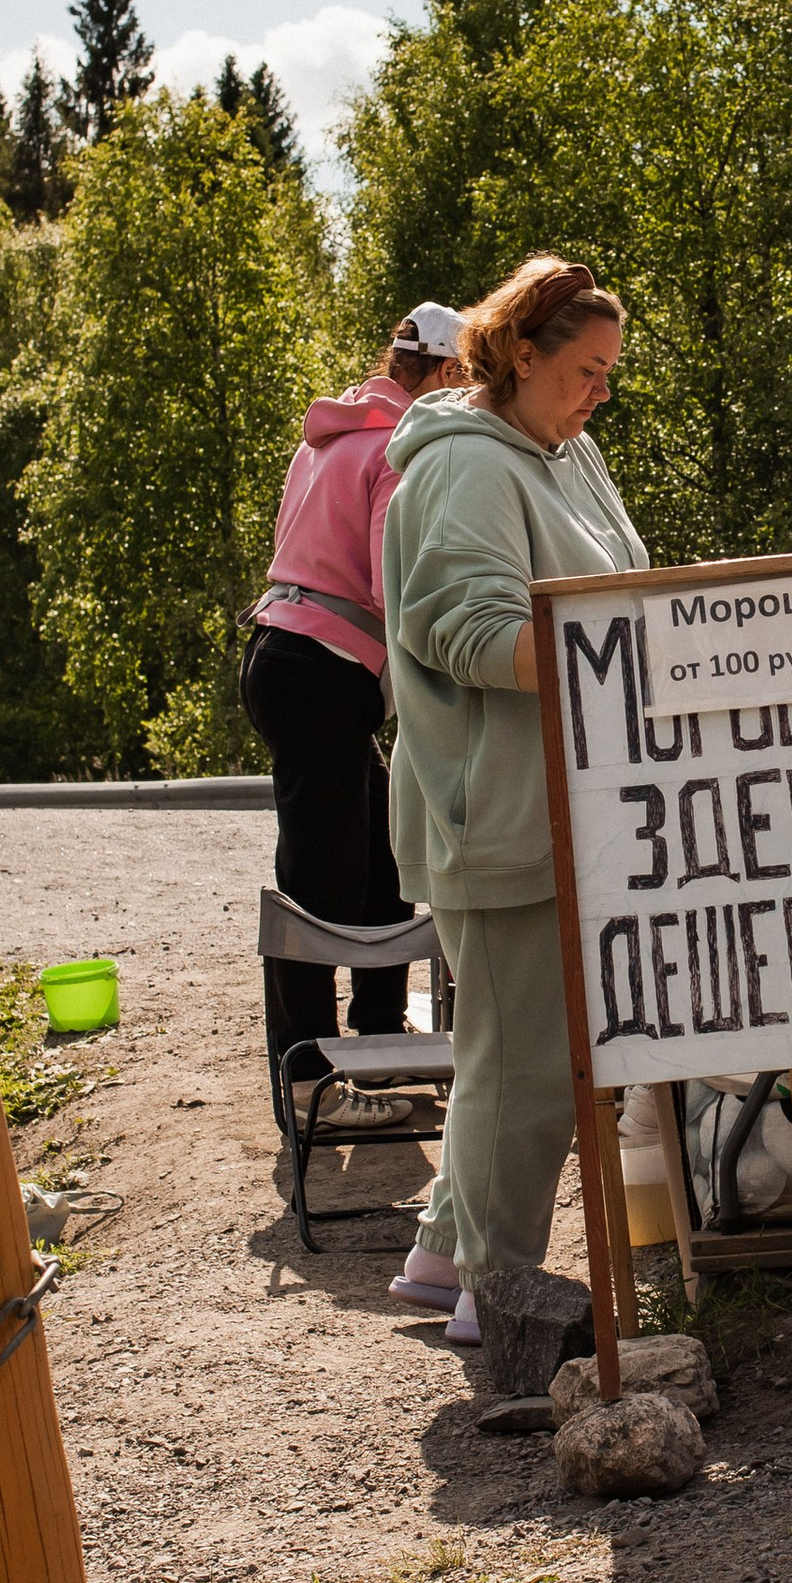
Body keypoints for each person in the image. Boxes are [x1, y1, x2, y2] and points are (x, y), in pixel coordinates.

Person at [377, 255, 649, 1344]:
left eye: (610, 374)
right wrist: (643, 655)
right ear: (522, 356)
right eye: (586, 371)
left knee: (510, 1048)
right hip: (493, 807)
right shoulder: (466, 466)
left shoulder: (559, 449)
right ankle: (496, 1303)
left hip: (555, 803)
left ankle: (446, 1255)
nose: (600, 393)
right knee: (526, 1063)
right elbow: (469, 631)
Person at [240, 302, 463, 1062]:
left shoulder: (331, 438)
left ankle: (378, 1023)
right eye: (465, 380)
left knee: (383, 852)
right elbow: (390, 585)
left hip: (284, 653)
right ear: (444, 370)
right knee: (320, 877)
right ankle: (304, 1061)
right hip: (321, 672)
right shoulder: (397, 449)